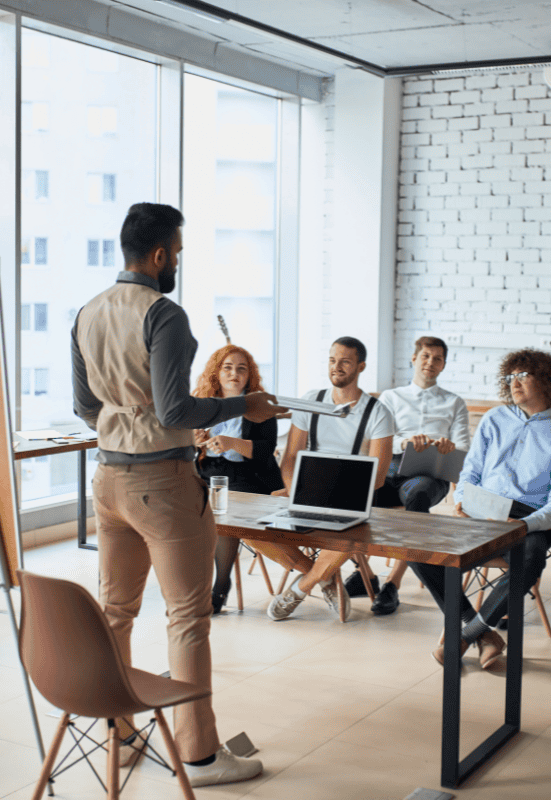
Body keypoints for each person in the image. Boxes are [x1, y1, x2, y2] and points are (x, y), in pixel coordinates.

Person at [71, 202, 282, 787]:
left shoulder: (87, 312)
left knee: (117, 611)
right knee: (188, 617)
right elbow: (176, 410)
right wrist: (247, 405)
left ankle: (119, 731)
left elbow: (85, 407)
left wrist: (124, 413)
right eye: (179, 255)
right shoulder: (163, 313)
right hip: (160, 483)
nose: (178, 265)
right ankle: (201, 756)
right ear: (160, 255)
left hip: (108, 479)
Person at [410, 348, 551, 670]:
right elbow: (470, 472)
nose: (514, 383)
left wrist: (525, 524)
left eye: (522, 375)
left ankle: (466, 635)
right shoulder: (494, 418)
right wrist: (464, 502)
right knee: (419, 550)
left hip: (526, 518)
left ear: (545, 380)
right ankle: (485, 635)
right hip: (479, 511)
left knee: (531, 559)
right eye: (509, 376)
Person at [259, 336, 395, 623]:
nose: (337, 367)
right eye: (333, 360)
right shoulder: (312, 401)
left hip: (354, 498)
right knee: (251, 527)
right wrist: (297, 491)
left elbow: (379, 477)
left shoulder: (378, 412)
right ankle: (326, 579)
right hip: (307, 492)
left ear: (361, 366)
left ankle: (300, 588)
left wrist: (333, 495)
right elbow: (291, 458)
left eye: (345, 361)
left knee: (350, 534)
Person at [348, 336, 470, 616]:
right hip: (391, 467)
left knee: (417, 499)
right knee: (352, 494)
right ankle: (366, 574)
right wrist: (403, 443)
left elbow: (464, 448)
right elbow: (375, 439)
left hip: (429, 474)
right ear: (413, 359)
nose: (430, 362)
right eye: (425, 356)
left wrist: (447, 446)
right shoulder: (391, 397)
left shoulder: (454, 402)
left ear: (443, 365)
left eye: (437, 358)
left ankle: (392, 583)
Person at [191, 344, 284, 614]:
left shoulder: (261, 405)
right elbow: (183, 449)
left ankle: (219, 587)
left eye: (241, 368)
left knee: (224, 517)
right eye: (228, 367)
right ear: (216, 373)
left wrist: (233, 443)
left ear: (249, 374)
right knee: (184, 509)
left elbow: (266, 451)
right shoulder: (201, 403)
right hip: (208, 472)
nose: (234, 373)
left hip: (250, 476)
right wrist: (193, 443)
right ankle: (189, 587)